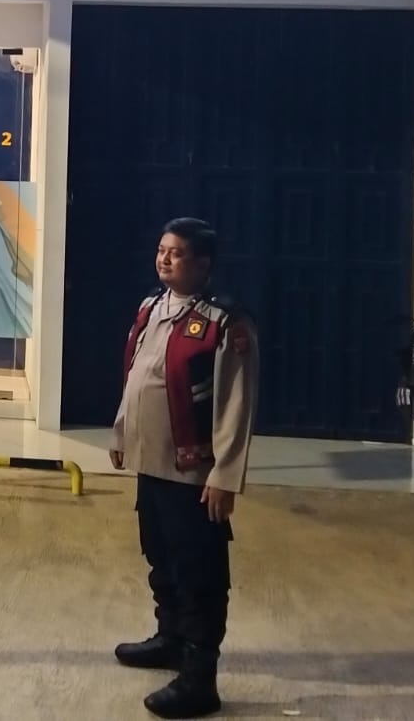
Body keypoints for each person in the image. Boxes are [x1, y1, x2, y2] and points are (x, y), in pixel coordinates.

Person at [109, 218, 259, 720]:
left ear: (203, 264)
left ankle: (199, 679)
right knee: (161, 557)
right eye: (161, 250)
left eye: (176, 253)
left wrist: (225, 476)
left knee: (200, 574)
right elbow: (137, 377)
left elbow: (237, 404)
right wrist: (121, 433)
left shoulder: (225, 323)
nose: (164, 259)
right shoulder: (152, 307)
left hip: (194, 473)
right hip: (151, 461)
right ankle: (170, 639)